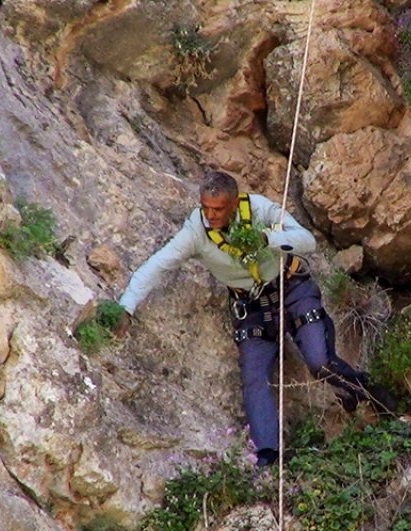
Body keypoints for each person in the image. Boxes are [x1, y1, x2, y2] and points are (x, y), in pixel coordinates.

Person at [118, 171, 396, 467]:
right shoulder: (195, 231)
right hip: (251, 307)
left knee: (319, 361)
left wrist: (268, 238)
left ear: (235, 203)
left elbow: (306, 241)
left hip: (292, 289)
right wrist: (126, 306)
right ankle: (269, 456)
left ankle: (370, 395)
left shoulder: (261, 210)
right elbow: (158, 264)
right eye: (206, 208)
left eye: (219, 209)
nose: (211, 215)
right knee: (253, 378)